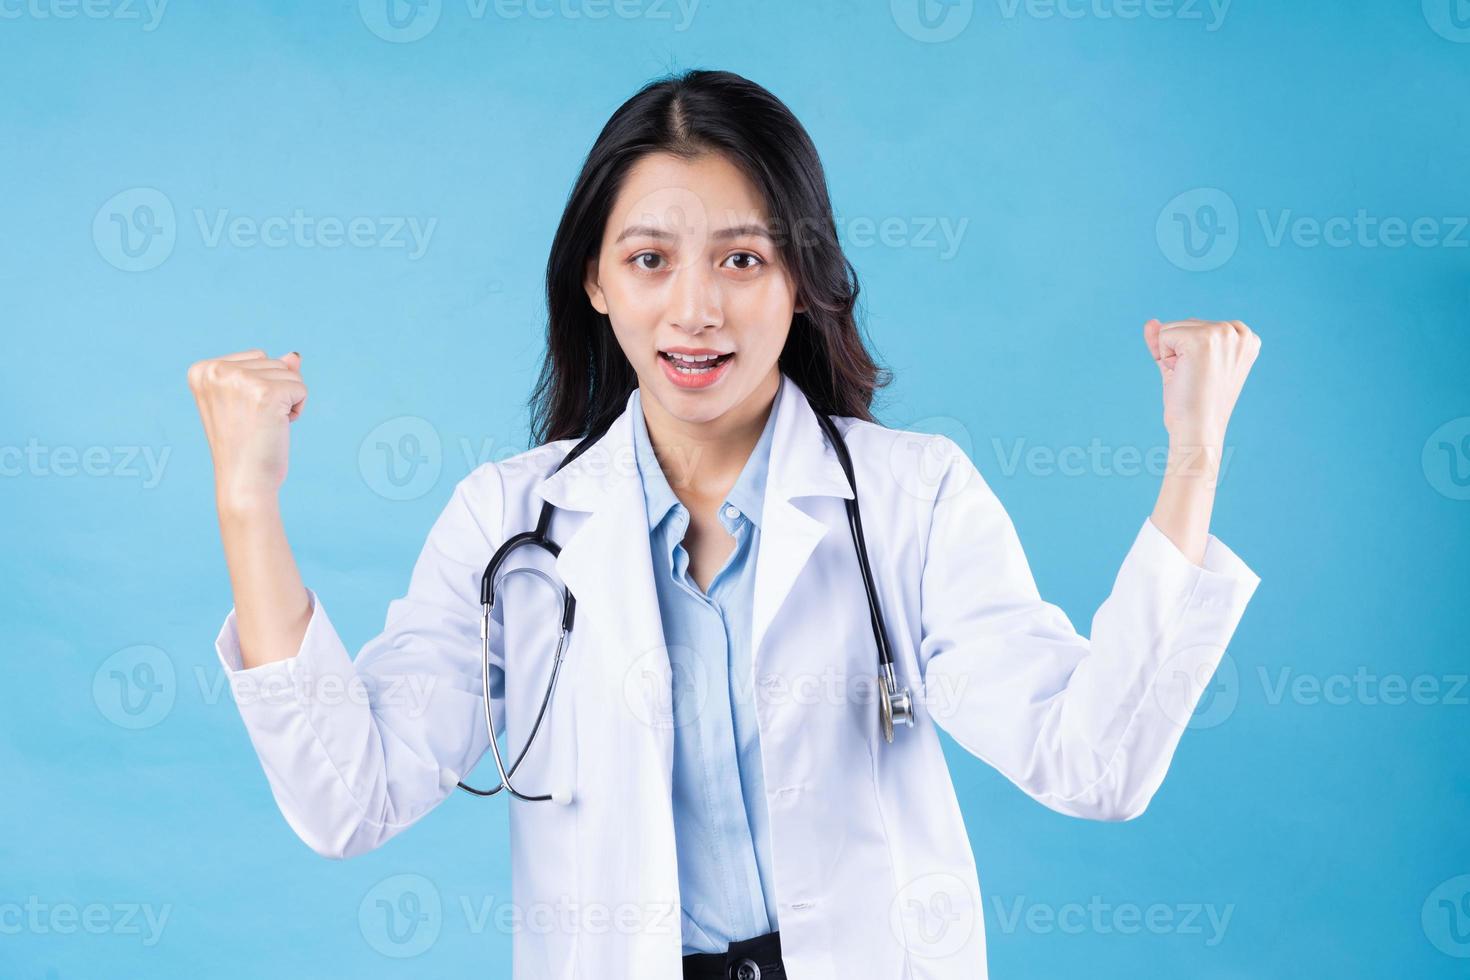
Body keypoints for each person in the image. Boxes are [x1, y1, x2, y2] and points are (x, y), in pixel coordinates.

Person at [187, 69, 1262, 980]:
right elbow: (349, 794)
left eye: (742, 259)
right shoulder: (510, 521)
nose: (695, 308)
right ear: (596, 283)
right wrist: (248, 502)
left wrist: (1195, 455)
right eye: (651, 259)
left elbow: (1093, 763)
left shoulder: (912, 497)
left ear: (802, 279)